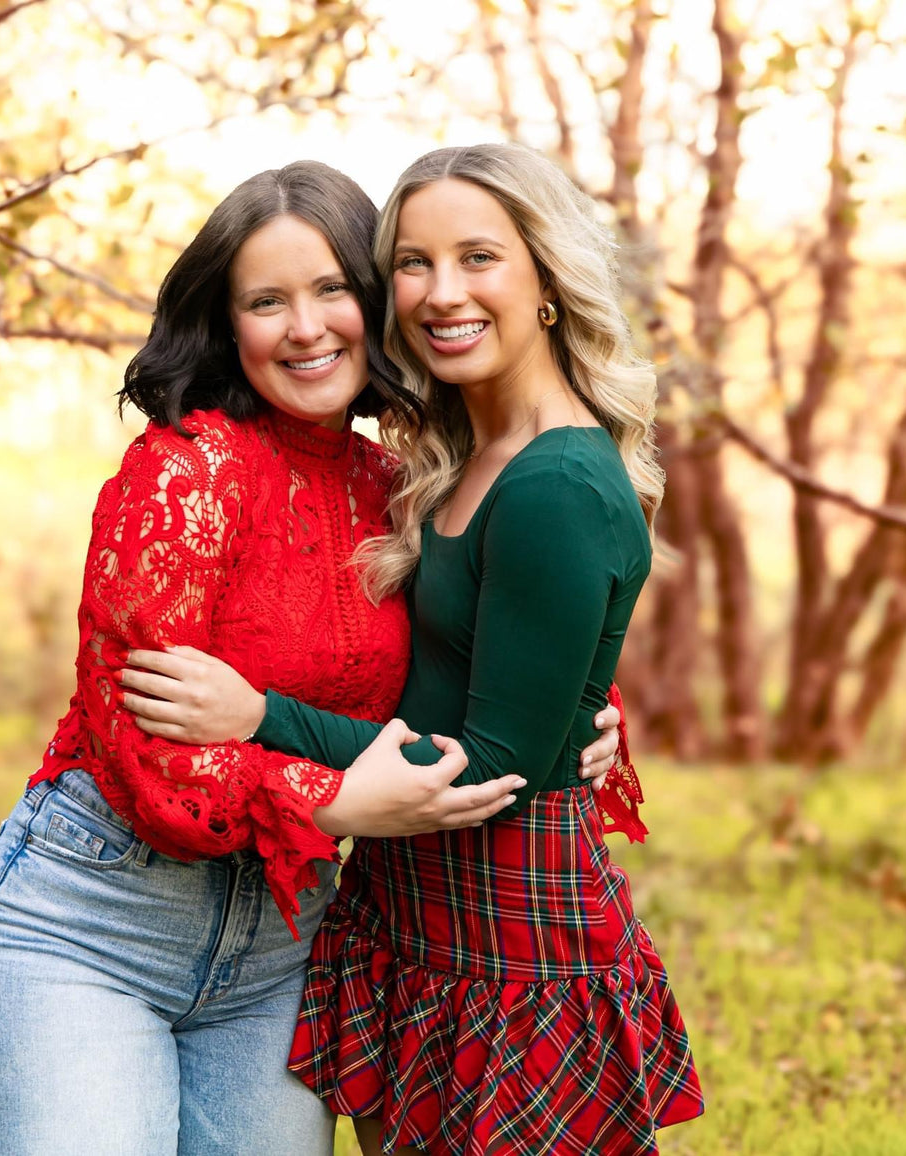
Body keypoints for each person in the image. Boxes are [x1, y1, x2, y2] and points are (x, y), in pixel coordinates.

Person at [0, 159, 627, 1156]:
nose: (304, 326)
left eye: (330, 291)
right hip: (96, 921)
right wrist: (342, 804)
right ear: (229, 328)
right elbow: (147, 755)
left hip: (283, 944)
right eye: (266, 301)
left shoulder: (400, 486)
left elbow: (474, 661)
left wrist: (582, 711)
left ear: (372, 307)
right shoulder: (182, 473)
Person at [120, 143, 703, 1155]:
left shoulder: (555, 482)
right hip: (413, 907)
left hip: (504, 918)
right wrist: (578, 717)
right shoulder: (457, 457)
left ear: (547, 281)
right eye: (413, 264)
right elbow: (489, 678)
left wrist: (260, 717)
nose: (441, 293)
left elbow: (490, 769)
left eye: (478, 257)